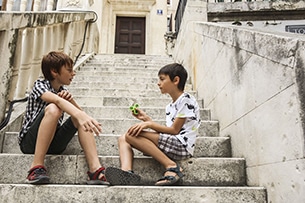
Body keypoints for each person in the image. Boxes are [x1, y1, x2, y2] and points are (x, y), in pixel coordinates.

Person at [18, 51, 109, 185]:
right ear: (54, 71)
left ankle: (95, 170)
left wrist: (72, 102)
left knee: (79, 118)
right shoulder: (40, 85)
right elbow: (57, 102)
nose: (73, 73)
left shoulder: (63, 91)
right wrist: (77, 112)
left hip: (54, 143)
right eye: (69, 70)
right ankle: (35, 167)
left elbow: (82, 118)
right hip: (30, 142)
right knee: (54, 108)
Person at [105, 63, 201, 186]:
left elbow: (174, 131)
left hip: (182, 145)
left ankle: (172, 166)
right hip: (173, 143)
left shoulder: (186, 99)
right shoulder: (170, 106)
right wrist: (146, 119)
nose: (158, 83)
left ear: (176, 80)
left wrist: (149, 124)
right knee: (123, 138)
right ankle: (127, 173)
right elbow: (167, 131)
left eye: (162, 79)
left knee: (131, 135)